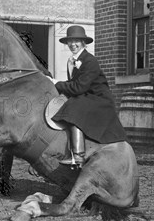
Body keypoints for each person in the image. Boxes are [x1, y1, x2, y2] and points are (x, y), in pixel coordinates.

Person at [50, 25, 127, 167]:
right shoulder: (72, 61)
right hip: (87, 95)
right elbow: (74, 83)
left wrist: (56, 83)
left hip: (99, 99)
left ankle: (78, 156)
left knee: (74, 107)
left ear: (83, 43)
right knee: (71, 102)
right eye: (70, 41)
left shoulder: (90, 61)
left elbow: (79, 87)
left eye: (76, 41)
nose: (73, 44)